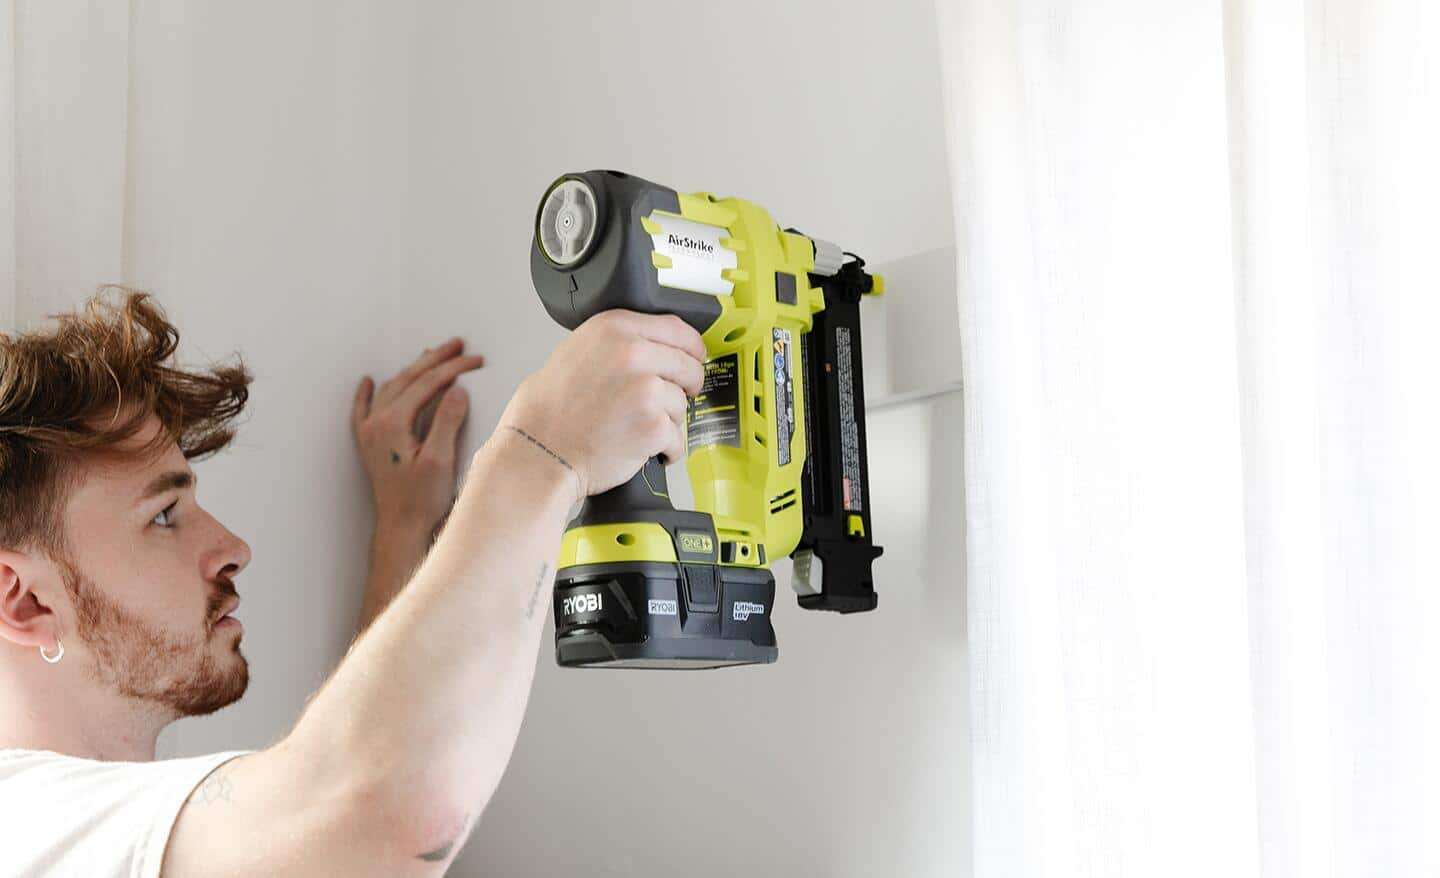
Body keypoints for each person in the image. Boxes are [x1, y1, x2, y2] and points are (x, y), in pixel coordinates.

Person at [0, 287, 705, 876]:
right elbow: (363, 812)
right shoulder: (26, 827)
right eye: (163, 516)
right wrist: (543, 451)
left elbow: (309, 801)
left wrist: (402, 533)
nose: (233, 547)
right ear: (25, 600)